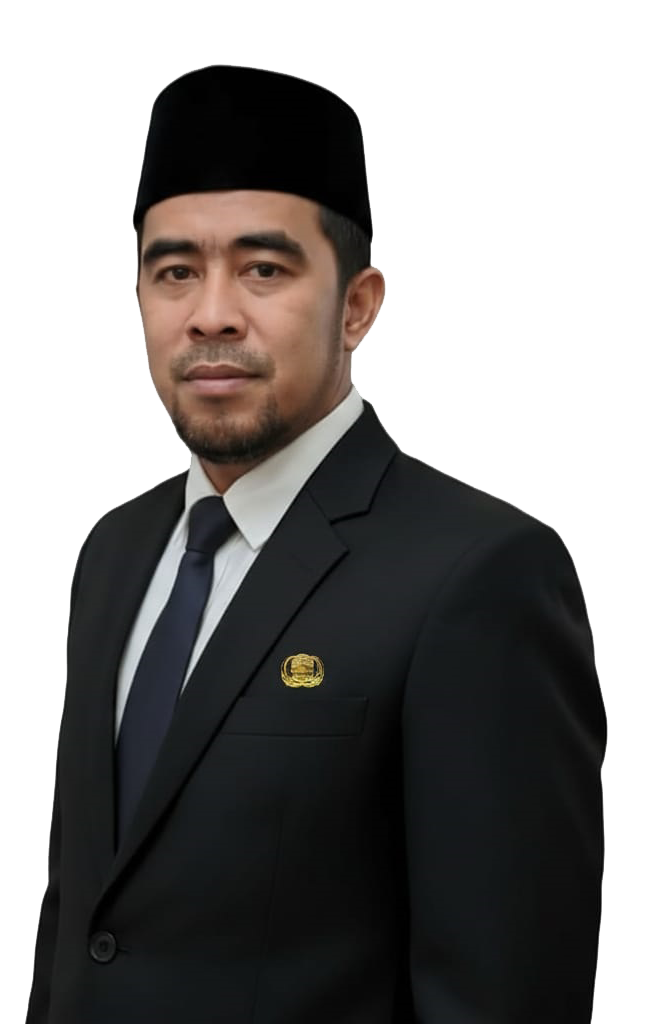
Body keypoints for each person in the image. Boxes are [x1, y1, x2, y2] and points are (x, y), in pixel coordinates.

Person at [27, 64, 607, 1024]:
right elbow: (84, 917)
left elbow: (505, 990)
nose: (211, 313)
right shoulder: (114, 551)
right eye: (175, 272)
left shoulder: (480, 574)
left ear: (358, 305)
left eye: (264, 268)